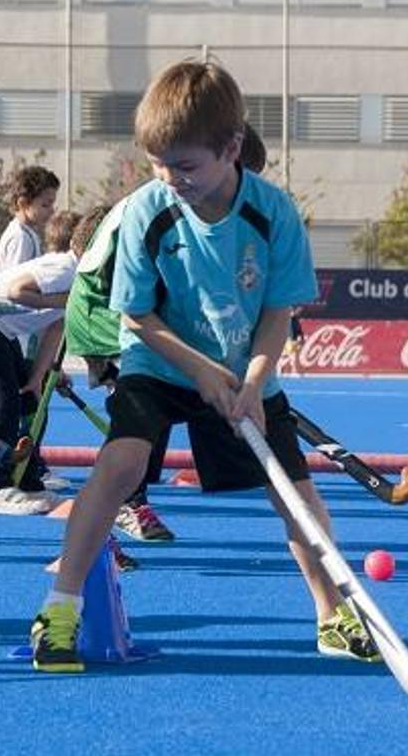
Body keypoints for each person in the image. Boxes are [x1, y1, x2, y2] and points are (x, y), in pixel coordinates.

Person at [28, 60, 379, 673]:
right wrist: (202, 371)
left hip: (244, 371)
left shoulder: (274, 214)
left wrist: (249, 379)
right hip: (160, 363)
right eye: (158, 164)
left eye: (185, 166)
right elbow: (136, 317)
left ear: (232, 148)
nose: (170, 179)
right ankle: (59, 608)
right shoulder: (147, 210)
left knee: (294, 493)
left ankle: (335, 616)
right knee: (121, 462)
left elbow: (277, 311)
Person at [62, 123, 266, 543]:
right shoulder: (162, 207)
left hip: (134, 312)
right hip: (103, 312)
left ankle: (120, 510)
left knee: (159, 413)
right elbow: (123, 287)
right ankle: (114, 513)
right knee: (141, 410)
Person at [0, 210, 83, 515]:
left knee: (27, 402)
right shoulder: (66, 268)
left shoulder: (83, 278)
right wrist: (61, 300)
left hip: (3, 332)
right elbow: (17, 291)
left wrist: (37, 376)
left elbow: (56, 326)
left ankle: (27, 481)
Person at [0, 165, 59, 271]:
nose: (52, 210)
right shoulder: (21, 238)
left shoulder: (26, 233)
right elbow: (14, 283)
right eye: (45, 205)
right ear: (23, 203)